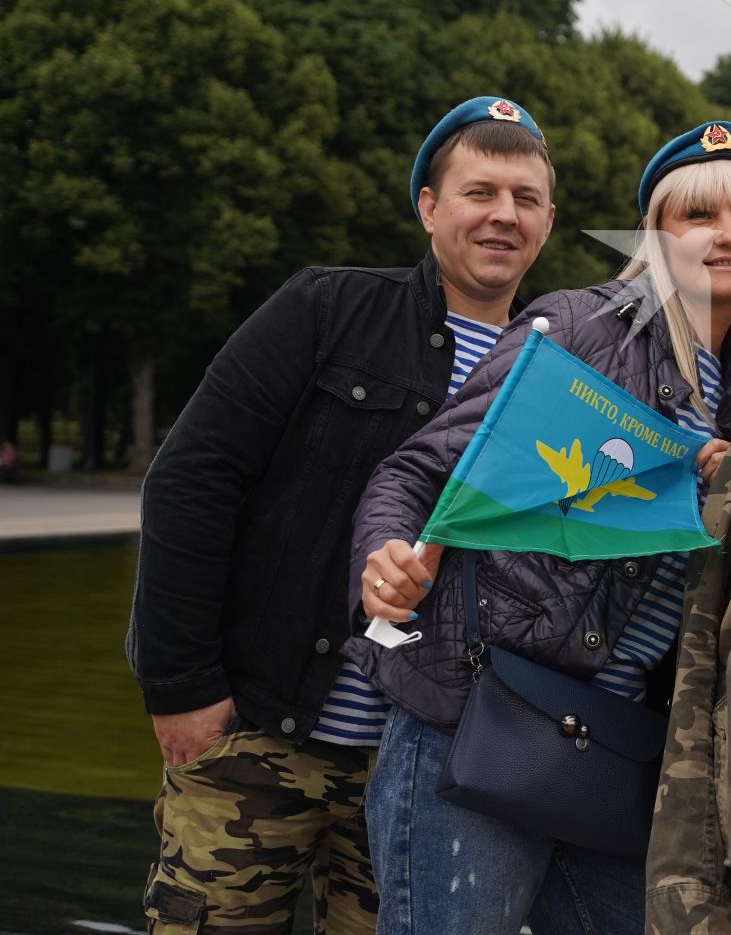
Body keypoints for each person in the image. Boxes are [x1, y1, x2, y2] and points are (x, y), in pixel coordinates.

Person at [349, 119, 731, 935]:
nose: (729, 233)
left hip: (624, 750)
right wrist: (382, 558)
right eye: (698, 215)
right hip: (481, 715)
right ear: (656, 238)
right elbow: (415, 471)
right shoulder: (584, 330)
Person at [128, 96, 556, 934]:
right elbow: (191, 480)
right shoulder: (326, 309)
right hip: (261, 732)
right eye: (479, 191)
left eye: (526, 198)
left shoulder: (554, 370)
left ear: (547, 222)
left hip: (427, 770)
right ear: (429, 207)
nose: (503, 215)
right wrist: (180, 687)